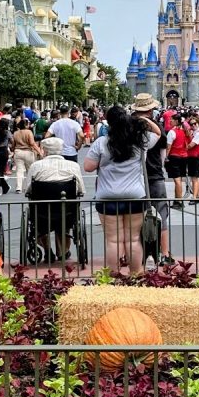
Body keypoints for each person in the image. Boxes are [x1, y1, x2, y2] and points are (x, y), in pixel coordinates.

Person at [83, 105, 161, 274]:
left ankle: (112, 274)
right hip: (134, 194)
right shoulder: (139, 141)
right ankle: (135, 273)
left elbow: (88, 167)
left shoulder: (102, 143)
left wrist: (104, 162)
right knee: (133, 239)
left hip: (108, 196)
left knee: (113, 240)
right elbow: (158, 133)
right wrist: (142, 118)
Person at [25, 136, 84, 262]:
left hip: (41, 211)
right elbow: (81, 191)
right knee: (65, 218)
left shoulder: (36, 166)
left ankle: (47, 250)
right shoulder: (73, 166)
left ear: (44, 151)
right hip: (66, 211)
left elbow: (27, 190)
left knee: (40, 223)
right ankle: (63, 250)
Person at [132, 93, 172, 264]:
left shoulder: (128, 127)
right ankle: (164, 254)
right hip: (154, 175)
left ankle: (135, 254)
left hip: (134, 178)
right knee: (161, 215)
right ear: (151, 109)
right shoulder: (156, 127)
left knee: (135, 217)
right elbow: (163, 150)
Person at [165, 113, 189, 209]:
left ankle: (179, 201)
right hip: (184, 156)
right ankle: (177, 199)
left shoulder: (172, 132)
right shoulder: (185, 131)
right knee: (179, 179)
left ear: (176, 121)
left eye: (171, 120)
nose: (169, 121)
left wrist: (165, 157)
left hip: (175, 156)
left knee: (177, 180)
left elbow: (168, 147)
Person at [11, 117, 42, 193]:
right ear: (26, 125)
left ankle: (19, 188)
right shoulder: (29, 132)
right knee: (30, 170)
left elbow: (13, 145)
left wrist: (13, 152)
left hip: (18, 152)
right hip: (28, 152)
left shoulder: (15, 133)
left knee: (19, 171)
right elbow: (32, 143)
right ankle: (29, 187)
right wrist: (39, 151)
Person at [184, 114, 199, 204]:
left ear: (198, 123)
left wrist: (187, 139)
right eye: (191, 124)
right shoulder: (196, 132)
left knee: (194, 178)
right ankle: (198, 195)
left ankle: (195, 197)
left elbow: (190, 146)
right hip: (195, 156)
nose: (193, 126)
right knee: (196, 177)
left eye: (194, 124)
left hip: (195, 157)